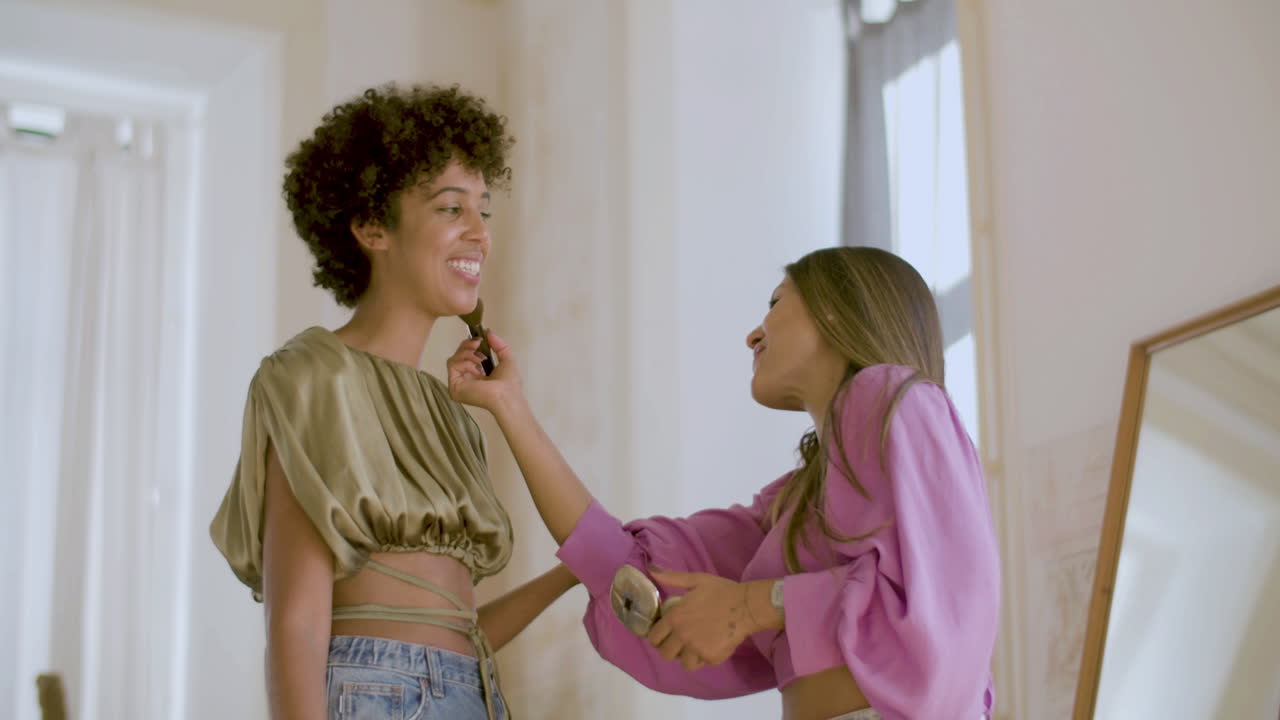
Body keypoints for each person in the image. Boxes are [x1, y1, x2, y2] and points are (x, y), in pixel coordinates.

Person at [446, 246, 1001, 720]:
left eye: (776, 303)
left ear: (836, 308)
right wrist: (509, 408)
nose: (753, 333)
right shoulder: (795, 503)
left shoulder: (897, 398)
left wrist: (761, 604)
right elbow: (640, 573)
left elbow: (948, 609)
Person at [209, 83, 579, 720]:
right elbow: (296, 624)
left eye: (482, 210)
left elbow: (455, 638)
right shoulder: (312, 378)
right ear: (370, 226)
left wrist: (573, 574)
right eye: (450, 208)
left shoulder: (452, 417)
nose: (479, 234)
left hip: (475, 697)